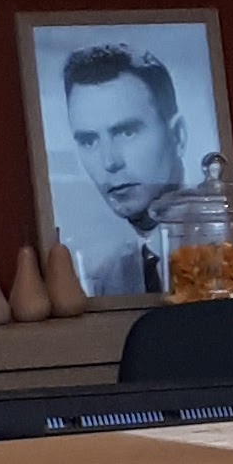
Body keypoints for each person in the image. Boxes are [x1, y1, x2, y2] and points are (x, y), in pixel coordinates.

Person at [55, 40, 192, 296]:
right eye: (89, 141)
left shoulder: (231, 257)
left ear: (178, 136)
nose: (109, 162)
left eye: (127, 132)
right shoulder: (104, 279)